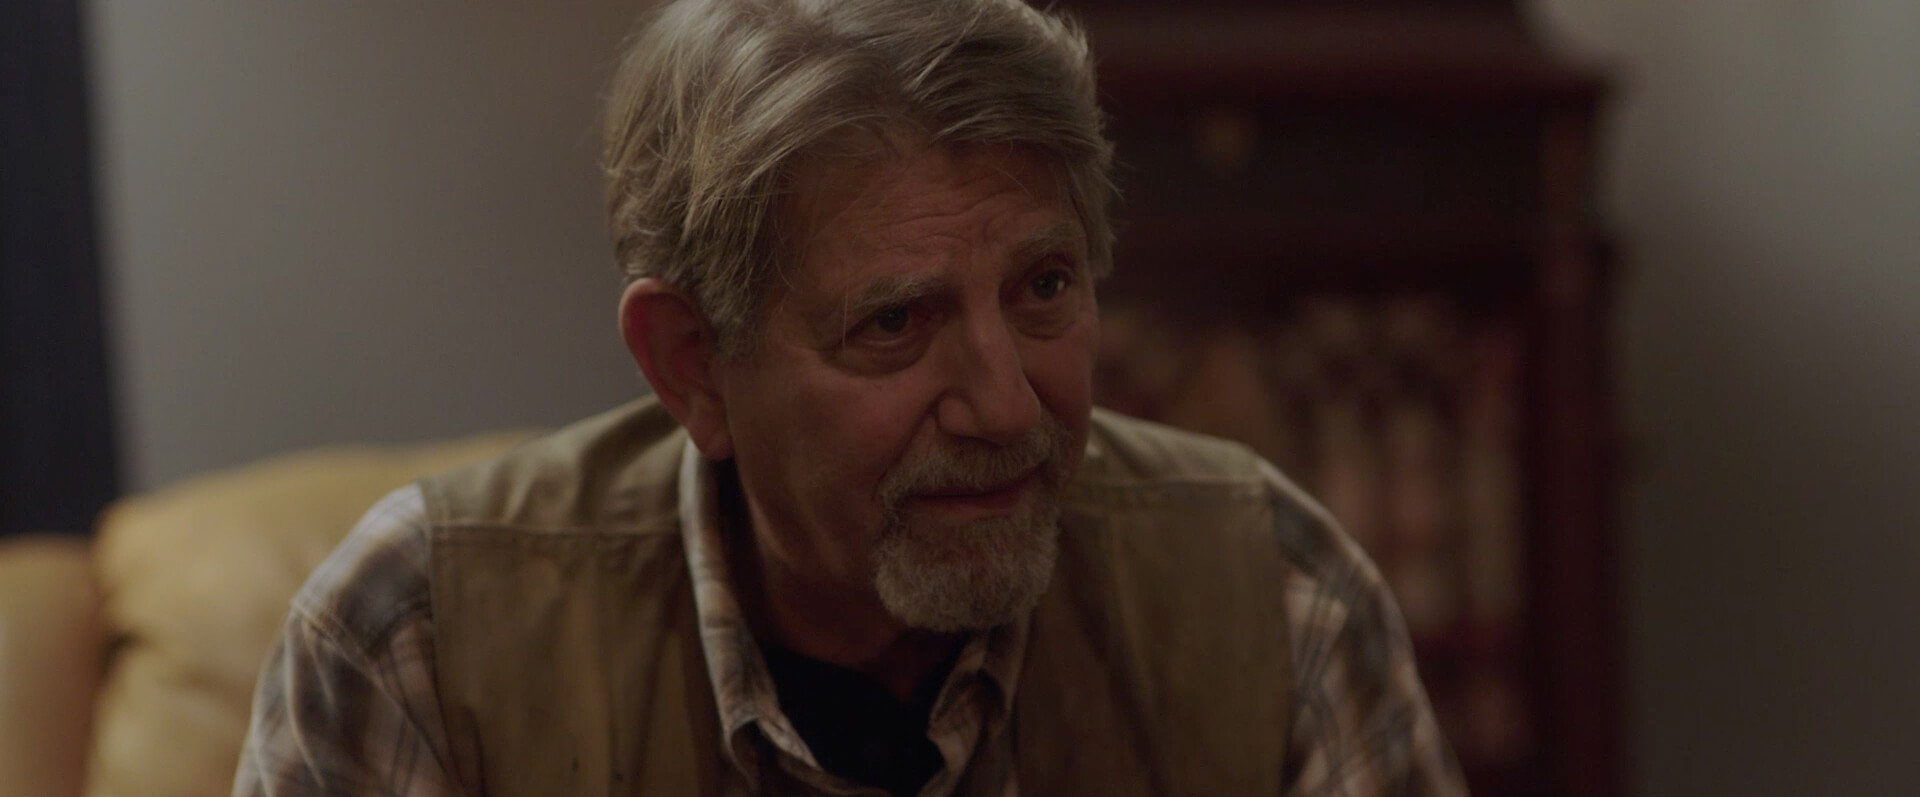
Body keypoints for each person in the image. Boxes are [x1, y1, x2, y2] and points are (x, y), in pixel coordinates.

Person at [233, 0, 1467, 794]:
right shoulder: (415, 638)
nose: (1006, 407)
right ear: (691, 363)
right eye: (894, 323)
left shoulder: (1274, 591)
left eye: (1043, 288)